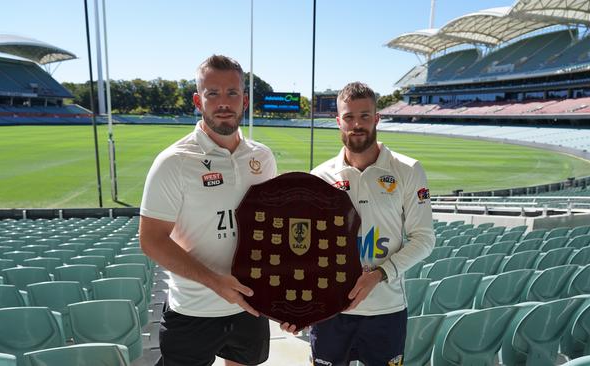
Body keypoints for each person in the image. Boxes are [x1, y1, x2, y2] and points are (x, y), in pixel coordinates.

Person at [283, 82, 435, 366]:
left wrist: (377, 274)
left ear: (377, 118)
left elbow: (424, 239)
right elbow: (304, 247)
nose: (357, 124)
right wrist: (297, 304)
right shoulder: (320, 176)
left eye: (365, 116)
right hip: (329, 310)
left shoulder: (408, 170)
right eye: (349, 117)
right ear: (338, 121)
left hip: (386, 310)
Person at [139, 54, 276, 366]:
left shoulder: (263, 158)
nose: (223, 102)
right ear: (198, 101)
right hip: (192, 309)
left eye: (232, 93)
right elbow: (151, 240)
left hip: (249, 306)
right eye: (212, 93)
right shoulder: (174, 162)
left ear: (245, 100)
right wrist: (216, 282)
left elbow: (269, 229)